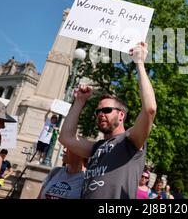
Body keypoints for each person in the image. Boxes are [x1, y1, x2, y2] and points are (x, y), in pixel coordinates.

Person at [59, 42, 157, 199]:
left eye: (106, 110)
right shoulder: (96, 147)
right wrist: (79, 101)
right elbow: (66, 138)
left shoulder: (130, 141)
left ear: (121, 115)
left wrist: (139, 63)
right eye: (98, 111)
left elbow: (149, 109)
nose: (100, 114)